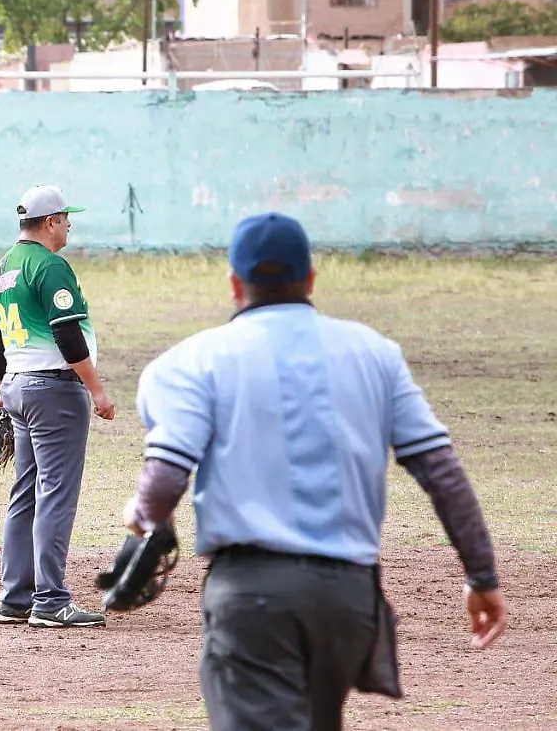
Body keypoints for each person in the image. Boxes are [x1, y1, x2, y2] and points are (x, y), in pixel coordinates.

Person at [122, 211, 508, 730]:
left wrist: (142, 513)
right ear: (311, 279)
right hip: (349, 600)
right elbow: (441, 470)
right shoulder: (376, 354)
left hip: (253, 597)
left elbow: (166, 479)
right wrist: (481, 575)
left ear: (236, 283)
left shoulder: (192, 361)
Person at [0, 185, 116, 629]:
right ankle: (50, 600)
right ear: (49, 222)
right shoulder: (50, 266)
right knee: (56, 494)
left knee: (25, 494)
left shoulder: (2, 268)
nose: (68, 225)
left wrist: (3, 386)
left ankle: (15, 597)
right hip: (55, 391)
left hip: (20, 387)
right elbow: (67, 334)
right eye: (64, 217)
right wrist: (96, 389)